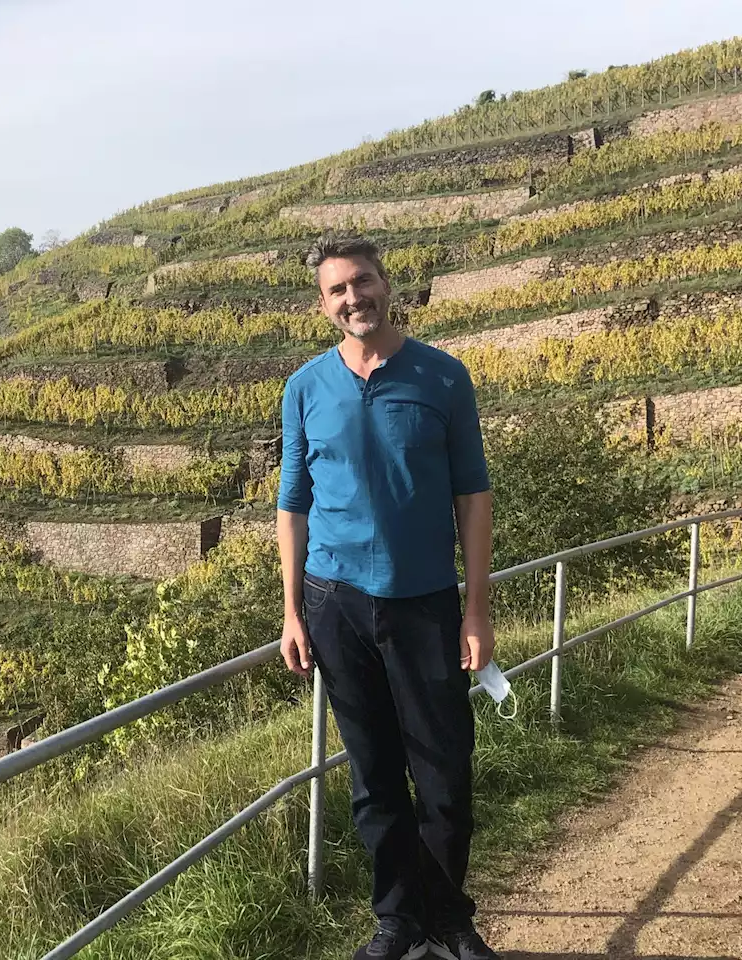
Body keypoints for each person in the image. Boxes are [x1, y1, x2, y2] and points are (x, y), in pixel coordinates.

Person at [276, 236, 500, 960]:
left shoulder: (442, 377)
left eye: (362, 282)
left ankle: (449, 919)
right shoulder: (305, 387)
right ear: (323, 303)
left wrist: (475, 609)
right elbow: (293, 504)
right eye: (337, 289)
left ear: (386, 284)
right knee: (373, 776)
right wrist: (290, 612)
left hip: (426, 602)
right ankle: (397, 920)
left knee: (443, 770)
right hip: (334, 603)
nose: (353, 298)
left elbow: (473, 494)